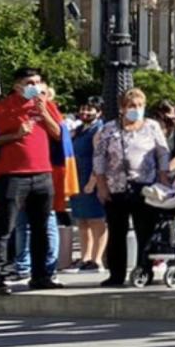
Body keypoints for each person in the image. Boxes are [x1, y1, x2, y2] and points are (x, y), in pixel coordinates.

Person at [0, 69, 63, 296]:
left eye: (38, 82)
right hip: (12, 176)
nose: (35, 86)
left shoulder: (46, 105)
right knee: (5, 228)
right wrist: (16, 135)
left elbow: (59, 134)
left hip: (43, 175)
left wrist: (43, 111)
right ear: (18, 85)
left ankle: (41, 276)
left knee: (41, 229)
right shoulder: (2, 108)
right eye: (30, 82)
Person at [94, 88, 168, 288]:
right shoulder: (109, 129)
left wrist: (163, 177)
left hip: (145, 186)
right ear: (122, 108)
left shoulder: (152, 127)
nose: (135, 110)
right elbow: (99, 158)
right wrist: (101, 185)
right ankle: (116, 275)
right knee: (117, 232)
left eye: (139, 106)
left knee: (145, 232)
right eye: (131, 106)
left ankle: (144, 271)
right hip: (116, 187)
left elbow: (162, 153)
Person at [68, 99, 106, 272]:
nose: (85, 112)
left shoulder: (98, 130)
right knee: (82, 221)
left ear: (98, 112)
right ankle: (85, 257)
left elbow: (99, 158)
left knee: (96, 220)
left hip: (91, 179)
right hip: (77, 178)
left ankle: (97, 259)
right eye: (83, 108)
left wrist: (93, 182)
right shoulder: (78, 131)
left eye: (90, 109)